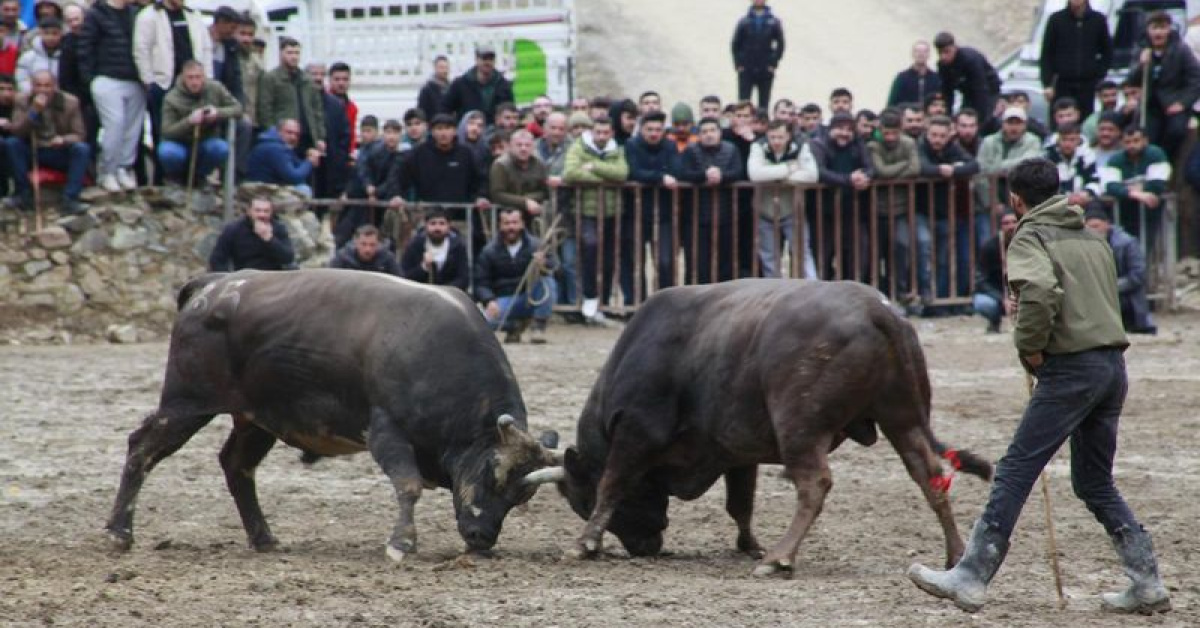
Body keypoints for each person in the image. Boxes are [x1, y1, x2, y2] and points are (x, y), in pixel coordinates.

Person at [908, 157, 1171, 615]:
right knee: (1093, 481)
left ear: (1016, 198)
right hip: (1111, 367)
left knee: (1015, 468)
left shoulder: (1029, 236)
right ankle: (1147, 581)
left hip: (1070, 369)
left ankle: (971, 576)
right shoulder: (1093, 240)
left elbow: (1041, 293)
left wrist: (1029, 349)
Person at [133, 0, 211, 184]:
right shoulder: (149, 15)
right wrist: (149, 80)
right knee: (162, 132)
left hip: (192, 84)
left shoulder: (193, 15)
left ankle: (193, 177)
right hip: (163, 83)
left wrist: (207, 77)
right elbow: (141, 49)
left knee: (196, 129)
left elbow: (205, 48)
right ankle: (162, 178)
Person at [392, 113, 490, 252]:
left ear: (455, 130)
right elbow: (399, 176)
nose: (443, 133)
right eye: (439, 128)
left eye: (448, 128)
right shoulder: (419, 154)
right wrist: (397, 195)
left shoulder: (466, 154)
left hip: (460, 218)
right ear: (432, 131)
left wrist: (481, 196)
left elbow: (480, 179)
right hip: (426, 218)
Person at [563, 114, 629, 319]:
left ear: (611, 133)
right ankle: (590, 296)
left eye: (605, 132)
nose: (601, 136)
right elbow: (570, 173)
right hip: (586, 211)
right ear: (592, 131)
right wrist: (603, 179)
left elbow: (622, 173)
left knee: (609, 258)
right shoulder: (578, 146)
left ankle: (605, 300)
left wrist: (594, 167)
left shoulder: (616, 149)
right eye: (598, 132)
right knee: (590, 246)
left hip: (611, 212)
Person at [79, 0, 145, 193]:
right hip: (106, 77)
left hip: (135, 79)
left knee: (132, 129)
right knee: (114, 124)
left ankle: (124, 168)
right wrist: (89, 79)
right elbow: (85, 48)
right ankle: (107, 170)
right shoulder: (95, 14)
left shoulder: (136, 14)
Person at [2, 70, 90, 215]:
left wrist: (63, 139)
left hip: (57, 150)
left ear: (54, 86)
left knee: (82, 149)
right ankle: (23, 194)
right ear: (32, 87)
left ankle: (70, 199)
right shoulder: (22, 101)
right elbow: (17, 131)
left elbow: (80, 135)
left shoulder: (70, 102)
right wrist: (33, 112)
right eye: (39, 86)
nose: (43, 90)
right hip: (33, 149)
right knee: (12, 144)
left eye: (47, 86)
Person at [919, 114, 979, 303]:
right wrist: (939, 170)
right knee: (923, 248)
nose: (937, 140)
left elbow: (974, 165)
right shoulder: (920, 147)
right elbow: (919, 166)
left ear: (949, 136)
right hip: (921, 211)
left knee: (943, 259)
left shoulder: (953, 148)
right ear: (927, 133)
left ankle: (942, 300)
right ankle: (925, 297)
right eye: (934, 135)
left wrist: (954, 170)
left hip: (945, 213)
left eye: (941, 136)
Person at [475, 206, 557, 344]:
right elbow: (481, 282)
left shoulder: (536, 245)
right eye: (506, 223)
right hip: (503, 299)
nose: (511, 227)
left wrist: (544, 264)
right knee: (482, 324)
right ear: (500, 225)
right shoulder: (489, 251)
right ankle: (514, 326)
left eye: (515, 222)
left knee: (548, 282)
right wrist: (489, 300)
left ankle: (538, 327)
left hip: (529, 295)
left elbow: (555, 267)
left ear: (522, 224)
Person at [868, 109, 924, 311]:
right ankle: (878, 295)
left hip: (900, 209)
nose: (890, 137)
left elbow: (916, 169)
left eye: (894, 133)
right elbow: (880, 171)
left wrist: (890, 175)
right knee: (875, 254)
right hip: (876, 210)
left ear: (900, 130)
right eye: (886, 133)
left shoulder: (908, 143)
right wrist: (902, 167)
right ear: (880, 130)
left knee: (902, 247)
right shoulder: (873, 145)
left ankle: (901, 293)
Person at [748, 118, 818, 278]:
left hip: (792, 210)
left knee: (802, 253)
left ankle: (814, 290)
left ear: (788, 136)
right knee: (769, 257)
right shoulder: (758, 146)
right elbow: (755, 174)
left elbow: (812, 175)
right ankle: (775, 295)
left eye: (780, 137)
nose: (776, 141)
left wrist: (774, 175)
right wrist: (789, 168)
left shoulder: (801, 147)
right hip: (764, 210)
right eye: (772, 137)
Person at [678, 116, 744, 284]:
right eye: (704, 131)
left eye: (712, 131)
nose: (709, 135)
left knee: (726, 265)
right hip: (696, 218)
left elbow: (739, 172)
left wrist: (722, 176)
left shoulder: (731, 149)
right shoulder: (690, 151)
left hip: (726, 216)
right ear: (698, 135)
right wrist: (704, 175)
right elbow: (683, 173)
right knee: (697, 266)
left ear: (720, 133)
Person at [1128, 10, 1200, 162]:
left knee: (1176, 131)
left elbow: (1196, 79)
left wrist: (1183, 103)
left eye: (1162, 28)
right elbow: (1132, 80)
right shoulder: (1142, 49)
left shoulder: (1181, 49)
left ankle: (1166, 162)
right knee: (1144, 135)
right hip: (1150, 105)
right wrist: (1141, 65)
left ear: (1168, 29)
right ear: (1148, 30)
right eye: (1155, 28)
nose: (1158, 32)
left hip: (1174, 104)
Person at [622, 109, 679, 296]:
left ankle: (666, 302)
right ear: (641, 129)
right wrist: (661, 177)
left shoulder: (670, 145)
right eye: (649, 129)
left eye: (658, 129)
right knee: (635, 262)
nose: (654, 133)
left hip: (664, 213)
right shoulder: (632, 144)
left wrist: (655, 177)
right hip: (635, 212)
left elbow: (676, 169)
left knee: (665, 261)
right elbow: (634, 172)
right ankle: (634, 304)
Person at [811, 111, 873, 280]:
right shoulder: (819, 144)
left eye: (848, 130)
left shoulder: (858, 144)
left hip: (853, 210)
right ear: (831, 129)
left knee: (859, 257)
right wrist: (848, 180)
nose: (844, 133)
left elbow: (870, 166)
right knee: (822, 257)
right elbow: (820, 172)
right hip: (824, 212)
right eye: (840, 129)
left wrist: (865, 177)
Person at [157, 60, 241, 184]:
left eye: (198, 77)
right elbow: (167, 131)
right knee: (167, 152)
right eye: (190, 78)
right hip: (179, 143)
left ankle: (201, 177)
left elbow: (237, 108)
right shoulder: (171, 98)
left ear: (204, 77)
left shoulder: (215, 88)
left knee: (220, 148)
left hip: (206, 141)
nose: (194, 82)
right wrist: (189, 122)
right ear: (183, 78)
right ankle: (175, 179)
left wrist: (217, 113)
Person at [1084, 207, 1156, 335]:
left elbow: (1138, 275)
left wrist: (1109, 287)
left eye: (1096, 226)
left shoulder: (1127, 243)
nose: (1093, 231)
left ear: (1107, 224)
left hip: (1125, 299)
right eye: (1089, 227)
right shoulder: (1083, 245)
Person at [1039, 0, 1112, 122]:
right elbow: (1046, 55)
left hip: (1088, 85)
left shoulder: (1098, 20)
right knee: (1061, 120)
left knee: (1086, 120)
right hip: (1062, 84)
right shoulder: (1056, 20)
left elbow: (1107, 52)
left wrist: (1099, 74)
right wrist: (1047, 84)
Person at [1100, 125, 1171, 249]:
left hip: (1150, 210)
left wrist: (1126, 189)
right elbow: (1110, 186)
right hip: (1124, 211)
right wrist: (1137, 194)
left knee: (1147, 245)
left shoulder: (1156, 154)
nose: (1132, 145)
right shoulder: (1115, 159)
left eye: (1136, 141)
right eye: (1127, 142)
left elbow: (1158, 183)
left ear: (1145, 141)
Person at [335, 118, 402, 248]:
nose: (391, 137)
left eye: (395, 133)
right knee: (346, 232)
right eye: (388, 132)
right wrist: (368, 187)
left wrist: (375, 192)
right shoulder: (374, 151)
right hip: (363, 200)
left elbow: (393, 180)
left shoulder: (402, 155)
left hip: (384, 203)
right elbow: (362, 170)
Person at [256, 36, 324, 155]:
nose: (294, 57)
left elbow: (317, 111)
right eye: (289, 53)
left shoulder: (307, 80)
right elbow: (265, 109)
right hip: (283, 136)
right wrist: (272, 133)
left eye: (297, 53)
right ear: (281, 53)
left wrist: (320, 137)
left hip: (307, 135)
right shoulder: (271, 78)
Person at [935, 32, 1001, 133]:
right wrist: (947, 117)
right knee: (963, 119)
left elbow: (981, 89)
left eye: (947, 52)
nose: (944, 57)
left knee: (983, 121)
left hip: (989, 91)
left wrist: (980, 119)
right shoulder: (942, 66)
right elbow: (947, 92)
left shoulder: (970, 60)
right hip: (967, 93)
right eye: (940, 53)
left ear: (954, 48)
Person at [208, 196, 295, 271]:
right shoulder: (234, 229)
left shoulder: (278, 228)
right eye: (258, 211)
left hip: (272, 277)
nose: (262, 215)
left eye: (266, 211)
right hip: (245, 277)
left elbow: (288, 258)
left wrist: (269, 239)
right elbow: (217, 260)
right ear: (249, 211)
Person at [400, 206, 470, 290]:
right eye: (433, 223)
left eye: (442, 223)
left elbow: (464, 279)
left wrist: (444, 291)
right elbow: (404, 277)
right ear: (426, 225)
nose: (437, 228)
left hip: (450, 295)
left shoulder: (458, 246)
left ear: (448, 226)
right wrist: (423, 267)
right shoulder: (415, 245)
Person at [731, 0, 784, 109]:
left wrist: (773, 63)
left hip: (765, 67)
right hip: (747, 67)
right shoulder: (744, 21)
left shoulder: (773, 22)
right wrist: (739, 64)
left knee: (764, 102)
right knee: (744, 101)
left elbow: (780, 44)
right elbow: (736, 44)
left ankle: (763, 122)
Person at [440, 44, 513, 124]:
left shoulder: (503, 85)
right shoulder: (460, 84)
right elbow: (445, 109)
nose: (488, 62)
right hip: (467, 133)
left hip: (496, 133)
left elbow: (510, 110)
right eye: (484, 59)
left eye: (491, 59)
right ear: (476, 59)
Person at [245, 118, 320, 195]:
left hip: (269, 188)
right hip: (261, 192)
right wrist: (309, 161)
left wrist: (309, 157)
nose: (293, 137)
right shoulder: (275, 148)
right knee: (303, 190)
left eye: (297, 134)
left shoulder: (278, 145)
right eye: (289, 132)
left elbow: (297, 166)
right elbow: (294, 177)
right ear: (279, 131)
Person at [972, 209, 1017, 333]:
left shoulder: (1029, 244)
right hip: (998, 296)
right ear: (1000, 226)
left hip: (1022, 295)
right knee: (982, 303)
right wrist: (1002, 299)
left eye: (1014, 222)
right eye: (1006, 223)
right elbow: (980, 281)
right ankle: (994, 321)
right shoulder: (990, 247)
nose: (1011, 226)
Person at [490, 128, 548, 222]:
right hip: (505, 214)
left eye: (527, 145)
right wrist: (524, 202)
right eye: (519, 145)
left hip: (532, 214)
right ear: (510, 146)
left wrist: (530, 200)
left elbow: (544, 191)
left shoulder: (539, 164)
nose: (523, 148)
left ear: (533, 147)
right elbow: (497, 194)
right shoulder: (501, 164)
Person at [1044, 122, 1101, 216]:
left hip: (1082, 201)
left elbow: (1094, 181)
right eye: (1064, 140)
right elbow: (1046, 184)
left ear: (1078, 140)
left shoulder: (1087, 155)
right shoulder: (1048, 156)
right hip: (1055, 203)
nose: (1067, 144)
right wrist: (1066, 198)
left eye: (1072, 140)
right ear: (1058, 139)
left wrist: (1085, 193)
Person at [328, 223, 400, 274]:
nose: (367, 249)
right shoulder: (343, 258)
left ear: (378, 244)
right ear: (356, 242)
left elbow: (399, 280)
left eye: (372, 245)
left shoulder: (387, 259)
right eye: (363, 244)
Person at [889, 40, 942, 107]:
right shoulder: (902, 78)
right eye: (918, 51)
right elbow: (891, 104)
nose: (921, 54)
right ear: (912, 54)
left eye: (924, 51)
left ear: (929, 55)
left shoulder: (936, 78)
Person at [207, 6, 243, 105]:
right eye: (232, 28)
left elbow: (236, 80)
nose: (233, 32)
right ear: (221, 22)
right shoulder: (199, 41)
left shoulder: (231, 47)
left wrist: (239, 104)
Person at [16, 17, 61, 92]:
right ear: (40, 33)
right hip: (32, 95)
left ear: (60, 34)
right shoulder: (28, 57)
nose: (50, 37)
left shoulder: (66, 56)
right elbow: (21, 80)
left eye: (54, 33)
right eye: (46, 33)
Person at [1081, 80, 1118, 144]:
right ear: (1098, 96)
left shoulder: (1123, 116)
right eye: (1106, 96)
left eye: (1113, 95)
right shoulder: (1091, 122)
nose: (1110, 99)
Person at [417, 55, 450, 124]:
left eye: (446, 67)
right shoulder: (427, 89)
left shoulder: (452, 88)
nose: (444, 70)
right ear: (435, 68)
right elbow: (421, 112)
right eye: (441, 67)